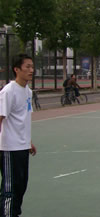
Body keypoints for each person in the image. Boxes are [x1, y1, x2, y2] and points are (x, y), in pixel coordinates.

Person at [0, 54, 37, 217]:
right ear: (17, 69)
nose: (31, 70)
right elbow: (1, 118)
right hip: (9, 148)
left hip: (22, 147)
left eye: (32, 66)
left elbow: (23, 118)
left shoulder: (28, 91)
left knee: (21, 186)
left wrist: (28, 141)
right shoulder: (8, 91)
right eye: (27, 67)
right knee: (10, 189)